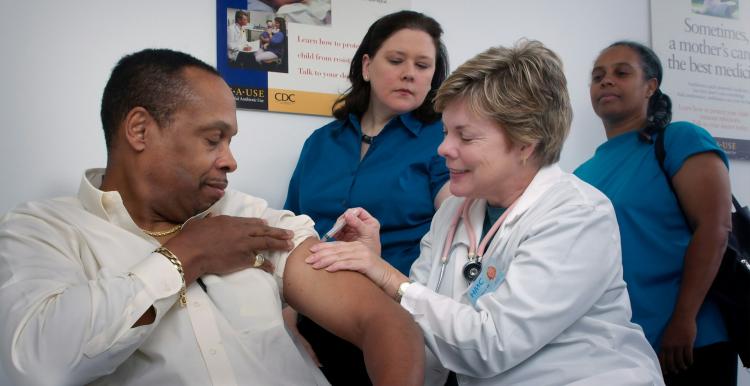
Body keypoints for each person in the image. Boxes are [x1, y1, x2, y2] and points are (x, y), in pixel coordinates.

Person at [0, 48, 426, 386]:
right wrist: (187, 256)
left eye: (230, 140)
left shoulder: (249, 217)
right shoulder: (43, 232)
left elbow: (384, 322)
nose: (230, 161)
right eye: (212, 139)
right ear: (140, 130)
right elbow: (39, 366)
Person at [305, 39, 665, 385]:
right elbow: (420, 328)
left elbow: (491, 345)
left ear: (526, 142)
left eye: (465, 136)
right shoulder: (454, 214)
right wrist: (373, 267)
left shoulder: (577, 215)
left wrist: (386, 276)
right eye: (446, 132)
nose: (444, 148)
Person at [283, 10, 450, 385]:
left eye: (423, 66)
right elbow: (289, 230)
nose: (410, 73)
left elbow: (458, 222)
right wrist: (286, 313)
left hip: (400, 314)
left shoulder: (444, 141)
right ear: (367, 65)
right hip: (316, 311)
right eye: (396, 60)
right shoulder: (321, 142)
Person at [574, 41, 735, 385]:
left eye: (621, 72)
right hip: (619, 349)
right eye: (597, 76)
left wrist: (683, 319)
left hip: (687, 342)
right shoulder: (582, 174)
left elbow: (715, 228)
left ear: (651, 85)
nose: (606, 81)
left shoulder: (679, 139)